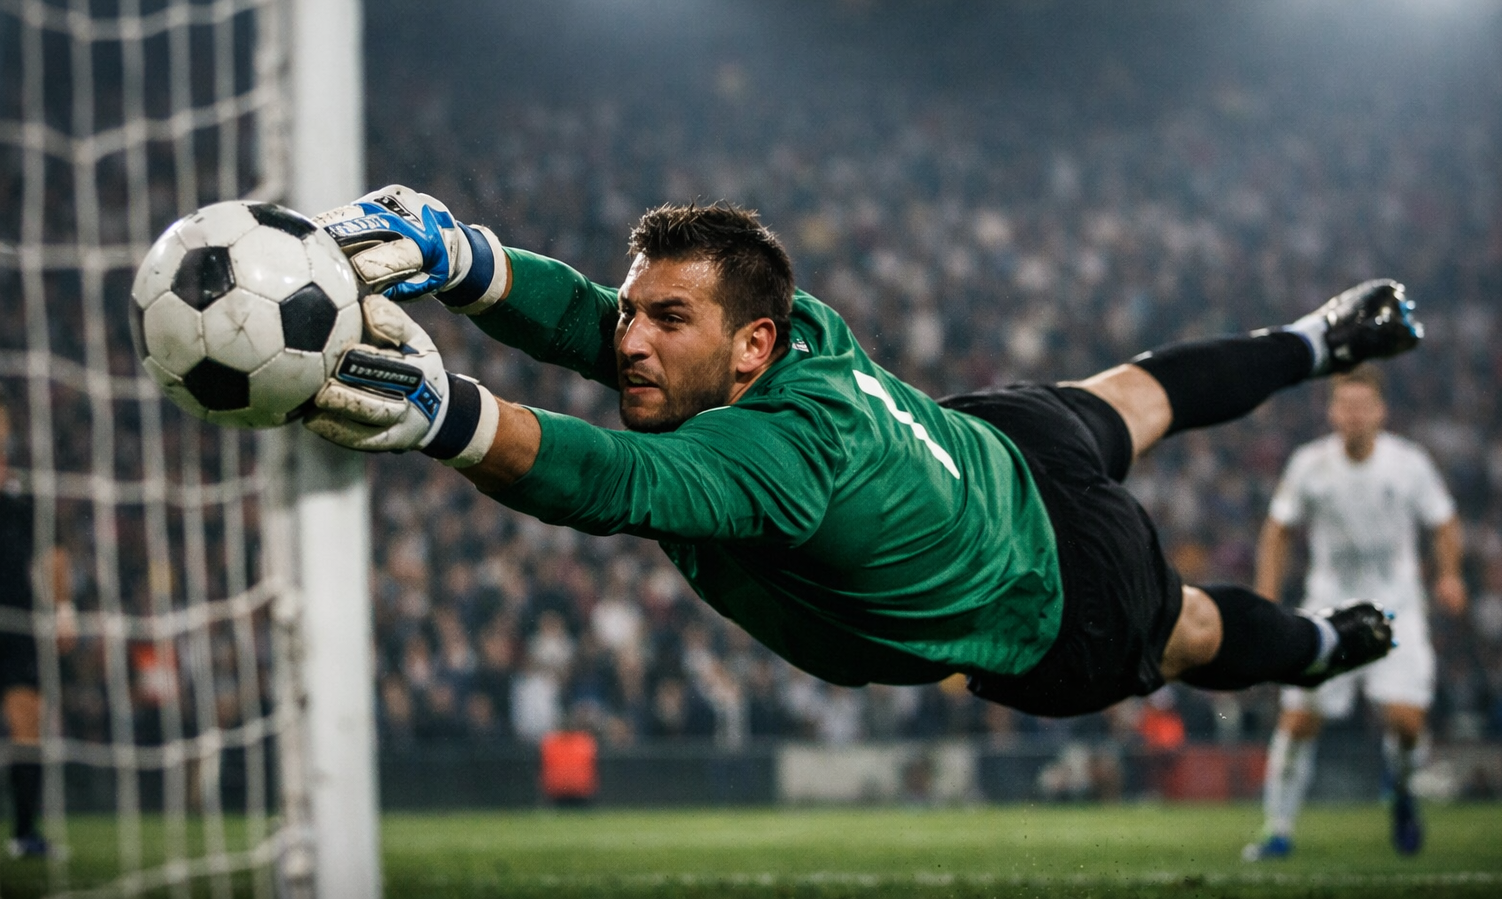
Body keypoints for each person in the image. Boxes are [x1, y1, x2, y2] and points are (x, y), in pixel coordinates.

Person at [302, 186, 1418, 730]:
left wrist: (449, 415)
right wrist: (469, 260)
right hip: (988, 444)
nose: (631, 338)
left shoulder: (767, 466)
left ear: (751, 344)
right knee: (1139, 392)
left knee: (1195, 627)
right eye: (639, 308)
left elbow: (610, 480)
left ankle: (1319, 645)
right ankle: (1324, 338)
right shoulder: (800, 327)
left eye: (666, 319)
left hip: (1053, 595)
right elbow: (597, 324)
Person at [1243, 366, 1465, 861]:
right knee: (1299, 720)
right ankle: (1277, 830)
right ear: (1332, 411)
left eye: (1363, 405)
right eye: (1345, 405)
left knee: (1406, 723)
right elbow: (1277, 531)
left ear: (1381, 411)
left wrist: (1450, 574)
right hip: (1329, 608)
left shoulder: (1408, 464)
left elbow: (1444, 521)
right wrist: (1265, 595)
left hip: (1397, 609)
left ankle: (1403, 793)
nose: (1354, 414)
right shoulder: (1309, 464)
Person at [0, 399, 74, 858]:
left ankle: (25, 834)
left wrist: (64, 609)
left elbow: (53, 552)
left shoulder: (22, 493)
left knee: (28, 722)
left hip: (17, 622)